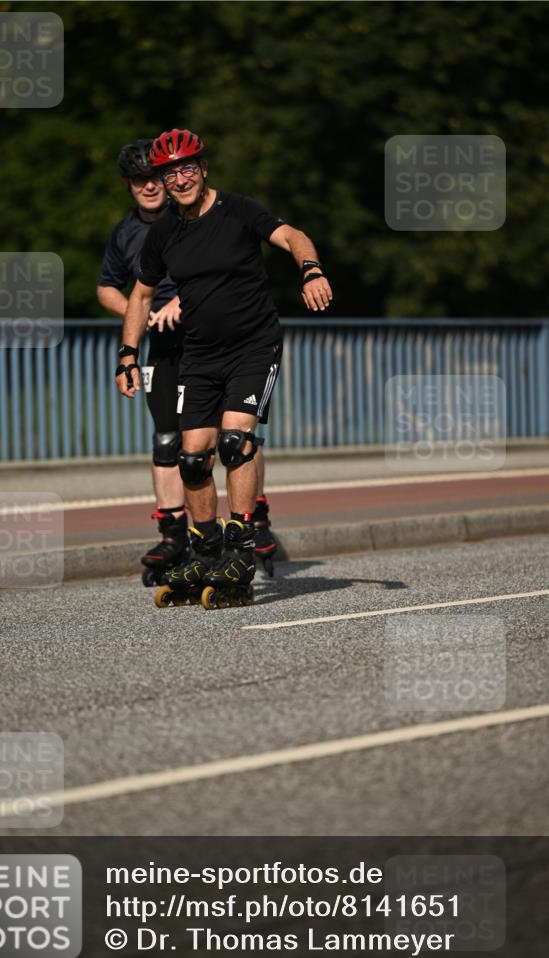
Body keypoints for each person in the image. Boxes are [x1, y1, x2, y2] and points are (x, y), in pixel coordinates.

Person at [117, 128, 332, 609]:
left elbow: (292, 235)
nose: (180, 179)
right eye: (170, 173)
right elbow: (142, 295)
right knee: (192, 460)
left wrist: (311, 270)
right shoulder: (164, 233)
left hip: (254, 346)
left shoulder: (238, 210)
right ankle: (206, 548)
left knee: (235, 442)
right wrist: (127, 354)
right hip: (200, 355)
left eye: (188, 167)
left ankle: (240, 548)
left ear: (204, 168)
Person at [98, 140, 188, 586]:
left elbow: (225, 270)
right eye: (139, 180)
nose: (149, 186)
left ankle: (251, 518)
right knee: (167, 440)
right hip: (162, 345)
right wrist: (143, 316)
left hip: (210, 337)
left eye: (155, 177)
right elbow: (108, 288)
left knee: (228, 438)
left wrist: (183, 304)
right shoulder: (125, 233)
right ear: (130, 187)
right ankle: (174, 533)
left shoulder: (191, 216)